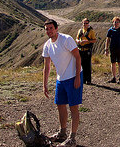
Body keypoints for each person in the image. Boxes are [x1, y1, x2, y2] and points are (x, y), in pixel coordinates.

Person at [42, 19, 82, 147]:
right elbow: (46, 67)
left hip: (72, 76)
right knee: (60, 105)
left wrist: (77, 77)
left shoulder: (66, 39)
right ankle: (62, 133)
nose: (49, 31)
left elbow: (77, 57)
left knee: (73, 107)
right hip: (61, 79)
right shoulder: (47, 45)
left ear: (56, 28)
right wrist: (45, 84)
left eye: (51, 28)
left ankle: (72, 138)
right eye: (47, 29)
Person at [105, 16, 120, 84]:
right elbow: (107, 40)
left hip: (119, 48)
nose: (116, 23)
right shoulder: (110, 30)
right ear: (112, 22)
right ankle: (114, 77)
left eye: (117, 22)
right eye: (114, 22)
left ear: (119, 23)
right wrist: (106, 49)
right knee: (113, 63)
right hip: (112, 48)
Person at [76, 18, 97, 85]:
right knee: (81, 65)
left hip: (87, 50)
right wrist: (78, 41)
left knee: (87, 65)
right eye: (84, 23)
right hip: (80, 50)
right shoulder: (80, 31)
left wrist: (87, 41)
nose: (85, 24)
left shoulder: (91, 31)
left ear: (88, 24)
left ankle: (88, 80)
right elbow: (76, 38)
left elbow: (94, 40)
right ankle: (83, 79)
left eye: (86, 23)